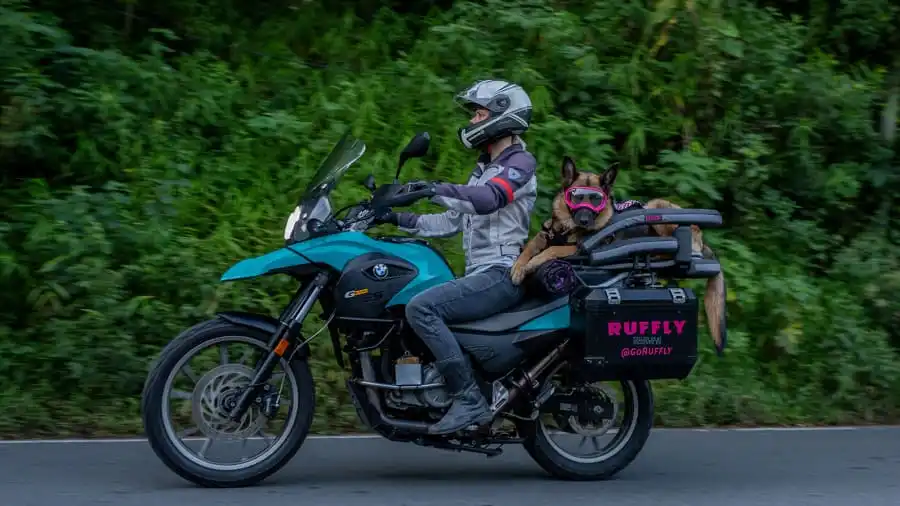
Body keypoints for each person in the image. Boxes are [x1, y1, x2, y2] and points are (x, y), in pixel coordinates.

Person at [375, 79, 537, 435]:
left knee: (422, 308)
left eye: (479, 113)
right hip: (480, 272)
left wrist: (434, 188)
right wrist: (395, 218)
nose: (473, 121)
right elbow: (452, 221)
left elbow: (490, 199)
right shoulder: (483, 169)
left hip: (501, 272)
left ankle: (468, 399)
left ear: (502, 116)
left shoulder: (519, 162)